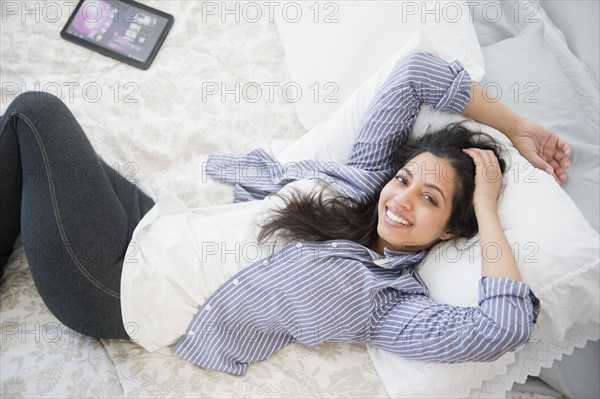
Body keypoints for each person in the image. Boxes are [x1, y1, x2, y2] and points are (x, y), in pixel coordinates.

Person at [0, 53, 571, 376]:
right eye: (404, 179)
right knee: (34, 157)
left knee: (34, 114)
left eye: (430, 199)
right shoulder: (357, 186)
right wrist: (518, 127)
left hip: (112, 285)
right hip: (150, 224)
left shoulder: (384, 304)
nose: (400, 199)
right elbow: (417, 71)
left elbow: (499, 326)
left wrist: (487, 208)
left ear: (450, 228)